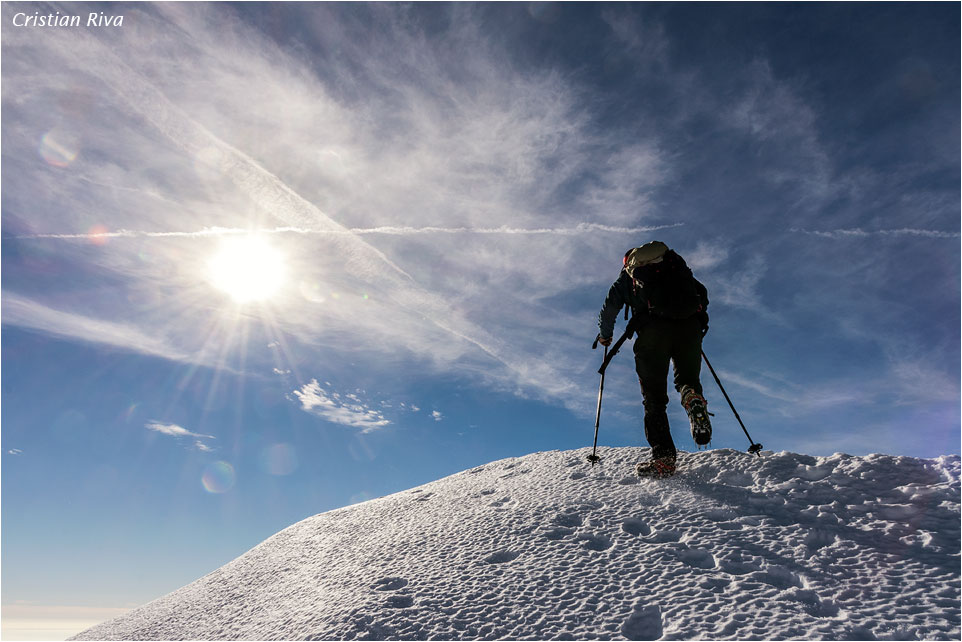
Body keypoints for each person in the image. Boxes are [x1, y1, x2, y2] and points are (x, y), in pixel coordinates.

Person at [596, 241, 711, 478]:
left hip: (652, 335)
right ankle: (692, 398)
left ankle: (664, 460)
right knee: (687, 380)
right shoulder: (674, 269)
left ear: (629, 264)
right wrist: (694, 320)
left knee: (654, 399)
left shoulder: (627, 279)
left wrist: (605, 336)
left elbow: (609, 309)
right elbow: (702, 294)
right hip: (688, 330)